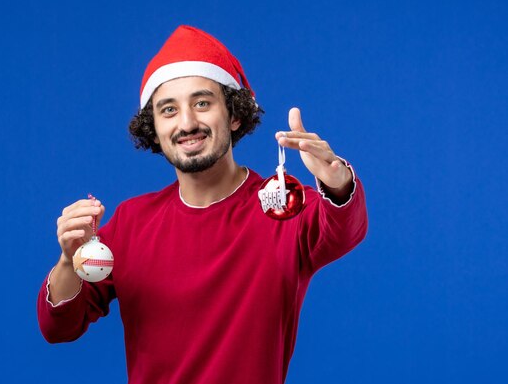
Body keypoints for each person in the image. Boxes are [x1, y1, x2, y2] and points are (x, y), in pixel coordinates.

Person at [37, 25, 368, 384]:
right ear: (155, 130)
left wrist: (337, 182)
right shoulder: (131, 222)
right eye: (168, 110)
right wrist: (68, 260)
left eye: (202, 103)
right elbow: (59, 327)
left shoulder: (282, 208)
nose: (187, 123)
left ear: (235, 114)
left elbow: (344, 230)